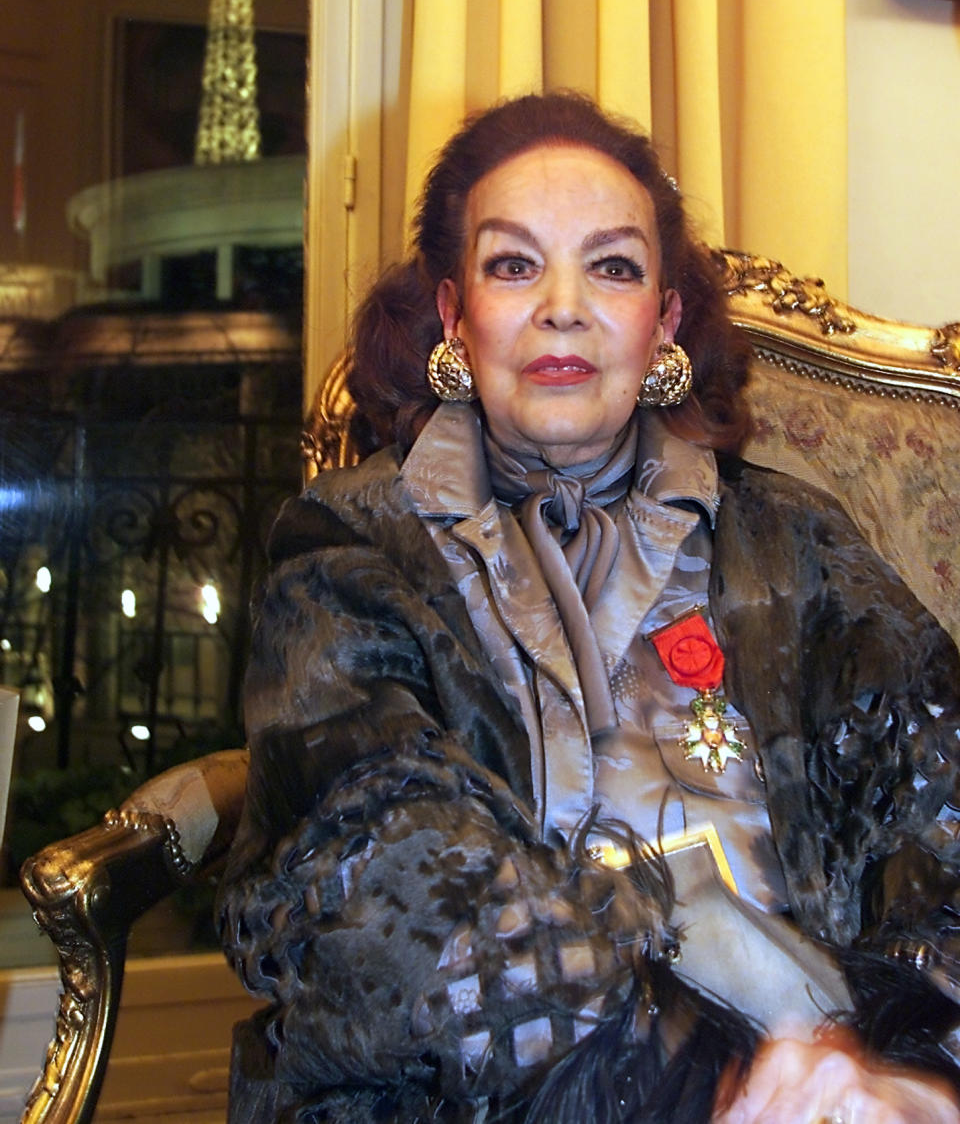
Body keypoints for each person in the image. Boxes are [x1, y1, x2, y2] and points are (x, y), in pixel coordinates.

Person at [219, 92, 960, 1123]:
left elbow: (946, 796)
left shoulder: (793, 537)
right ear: (452, 314)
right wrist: (715, 1080)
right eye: (513, 264)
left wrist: (906, 1068)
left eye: (611, 265)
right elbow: (385, 873)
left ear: (662, 321)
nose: (562, 305)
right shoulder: (348, 542)